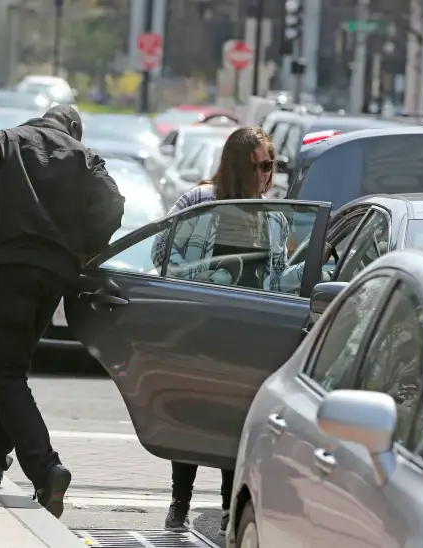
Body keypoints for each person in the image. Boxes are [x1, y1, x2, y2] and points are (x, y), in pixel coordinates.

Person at [0, 104, 125, 518]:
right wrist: (87, 249)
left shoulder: (2, 142)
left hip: (7, 268)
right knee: (7, 369)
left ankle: (46, 469)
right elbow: (113, 204)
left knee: (5, 372)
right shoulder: (85, 158)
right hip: (55, 276)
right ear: (73, 130)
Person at [151, 127, 286, 534]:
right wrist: (201, 276)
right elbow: (161, 251)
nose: (266, 174)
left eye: (271, 165)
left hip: (249, 333)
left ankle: (229, 505)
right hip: (199, 326)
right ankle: (180, 501)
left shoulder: (275, 217)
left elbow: (278, 280)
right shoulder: (199, 201)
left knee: (236, 418)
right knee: (191, 412)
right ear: (239, 164)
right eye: (260, 165)